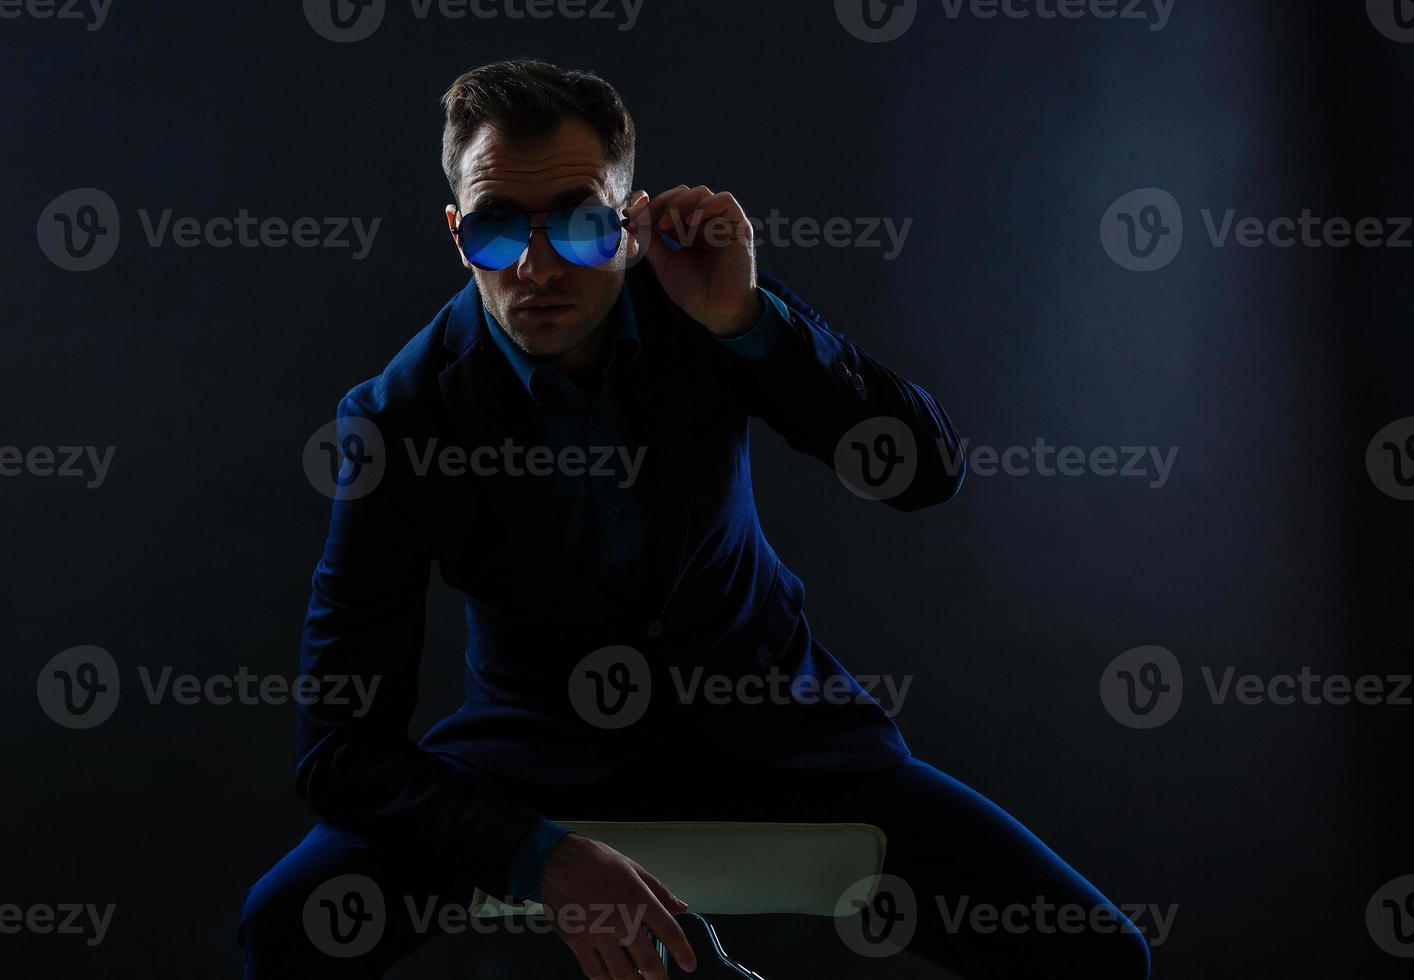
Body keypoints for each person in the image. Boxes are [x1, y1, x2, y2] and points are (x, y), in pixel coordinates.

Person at [238, 57, 1151, 980]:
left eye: (583, 225)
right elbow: (341, 750)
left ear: (629, 227)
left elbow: (925, 473)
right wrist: (542, 857)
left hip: (781, 739)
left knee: (1099, 958)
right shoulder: (398, 416)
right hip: (535, 765)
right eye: (498, 227)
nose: (539, 265)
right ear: (457, 231)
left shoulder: (704, 303)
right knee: (286, 925)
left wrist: (749, 319)